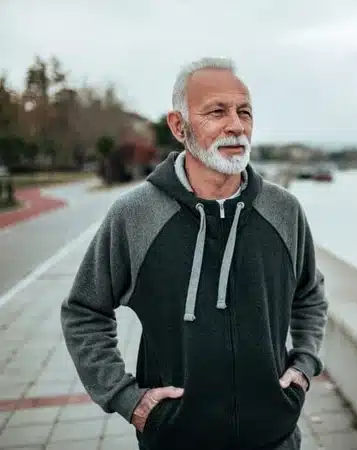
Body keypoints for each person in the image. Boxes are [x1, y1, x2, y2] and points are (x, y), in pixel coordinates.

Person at [61, 57, 328, 450]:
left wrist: (303, 365)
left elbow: (310, 295)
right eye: (217, 112)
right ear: (178, 126)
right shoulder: (135, 215)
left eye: (244, 112)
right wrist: (126, 398)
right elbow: (84, 311)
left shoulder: (283, 210)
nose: (236, 125)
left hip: (276, 438)